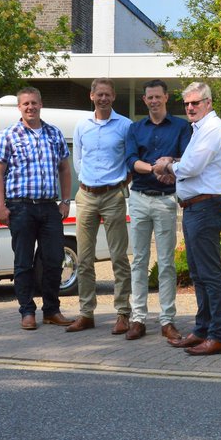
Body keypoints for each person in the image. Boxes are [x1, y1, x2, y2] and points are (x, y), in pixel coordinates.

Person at [152, 81, 221, 355]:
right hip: (195, 207)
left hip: (205, 207)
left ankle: (218, 335)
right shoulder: (201, 129)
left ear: (208, 103)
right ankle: (202, 330)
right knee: (199, 274)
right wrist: (174, 167)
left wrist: (167, 166)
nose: (190, 108)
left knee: (209, 275)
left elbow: (192, 166)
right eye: (187, 104)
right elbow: (189, 166)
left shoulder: (211, 129)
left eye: (195, 103)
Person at [0, 86, 74, 331]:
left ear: (41, 104)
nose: (30, 107)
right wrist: (0, 206)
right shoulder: (8, 134)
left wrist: (66, 200)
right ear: (19, 107)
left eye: (34, 103)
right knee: (24, 263)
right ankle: (27, 311)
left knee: (54, 259)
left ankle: (51, 310)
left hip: (49, 208)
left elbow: (65, 169)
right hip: (20, 208)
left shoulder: (54, 133)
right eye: (26, 103)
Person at [125, 79, 191, 341]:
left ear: (166, 98)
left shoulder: (181, 127)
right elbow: (130, 161)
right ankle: (138, 318)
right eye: (149, 98)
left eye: (157, 97)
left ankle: (167, 320)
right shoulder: (135, 128)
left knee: (166, 263)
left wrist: (170, 162)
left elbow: (186, 158)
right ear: (144, 100)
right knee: (139, 261)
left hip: (165, 199)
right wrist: (155, 167)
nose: (153, 101)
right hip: (139, 198)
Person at [65, 78, 133, 333]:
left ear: (113, 96)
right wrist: (88, 181)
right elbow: (78, 159)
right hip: (86, 196)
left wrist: (118, 183)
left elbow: (131, 160)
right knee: (83, 258)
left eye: (107, 94)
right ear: (91, 96)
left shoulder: (125, 125)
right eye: (99, 94)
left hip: (113, 195)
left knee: (118, 257)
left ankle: (123, 313)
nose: (103, 98)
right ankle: (86, 313)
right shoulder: (82, 126)